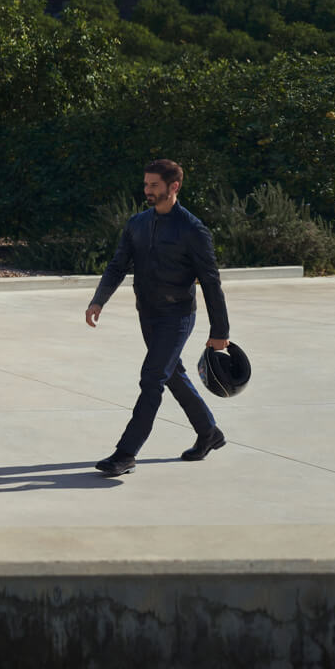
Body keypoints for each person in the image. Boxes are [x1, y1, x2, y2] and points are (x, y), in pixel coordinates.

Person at [84, 159, 230, 477]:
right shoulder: (137, 223)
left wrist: (220, 330)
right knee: (172, 374)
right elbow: (117, 264)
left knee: (152, 378)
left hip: (177, 316)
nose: (147, 190)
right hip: (147, 314)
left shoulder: (193, 230)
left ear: (173, 187)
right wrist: (99, 300)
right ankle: (208, 433)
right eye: (146, 184)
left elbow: (210, 281)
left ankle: (126, 453)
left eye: (154, 185)